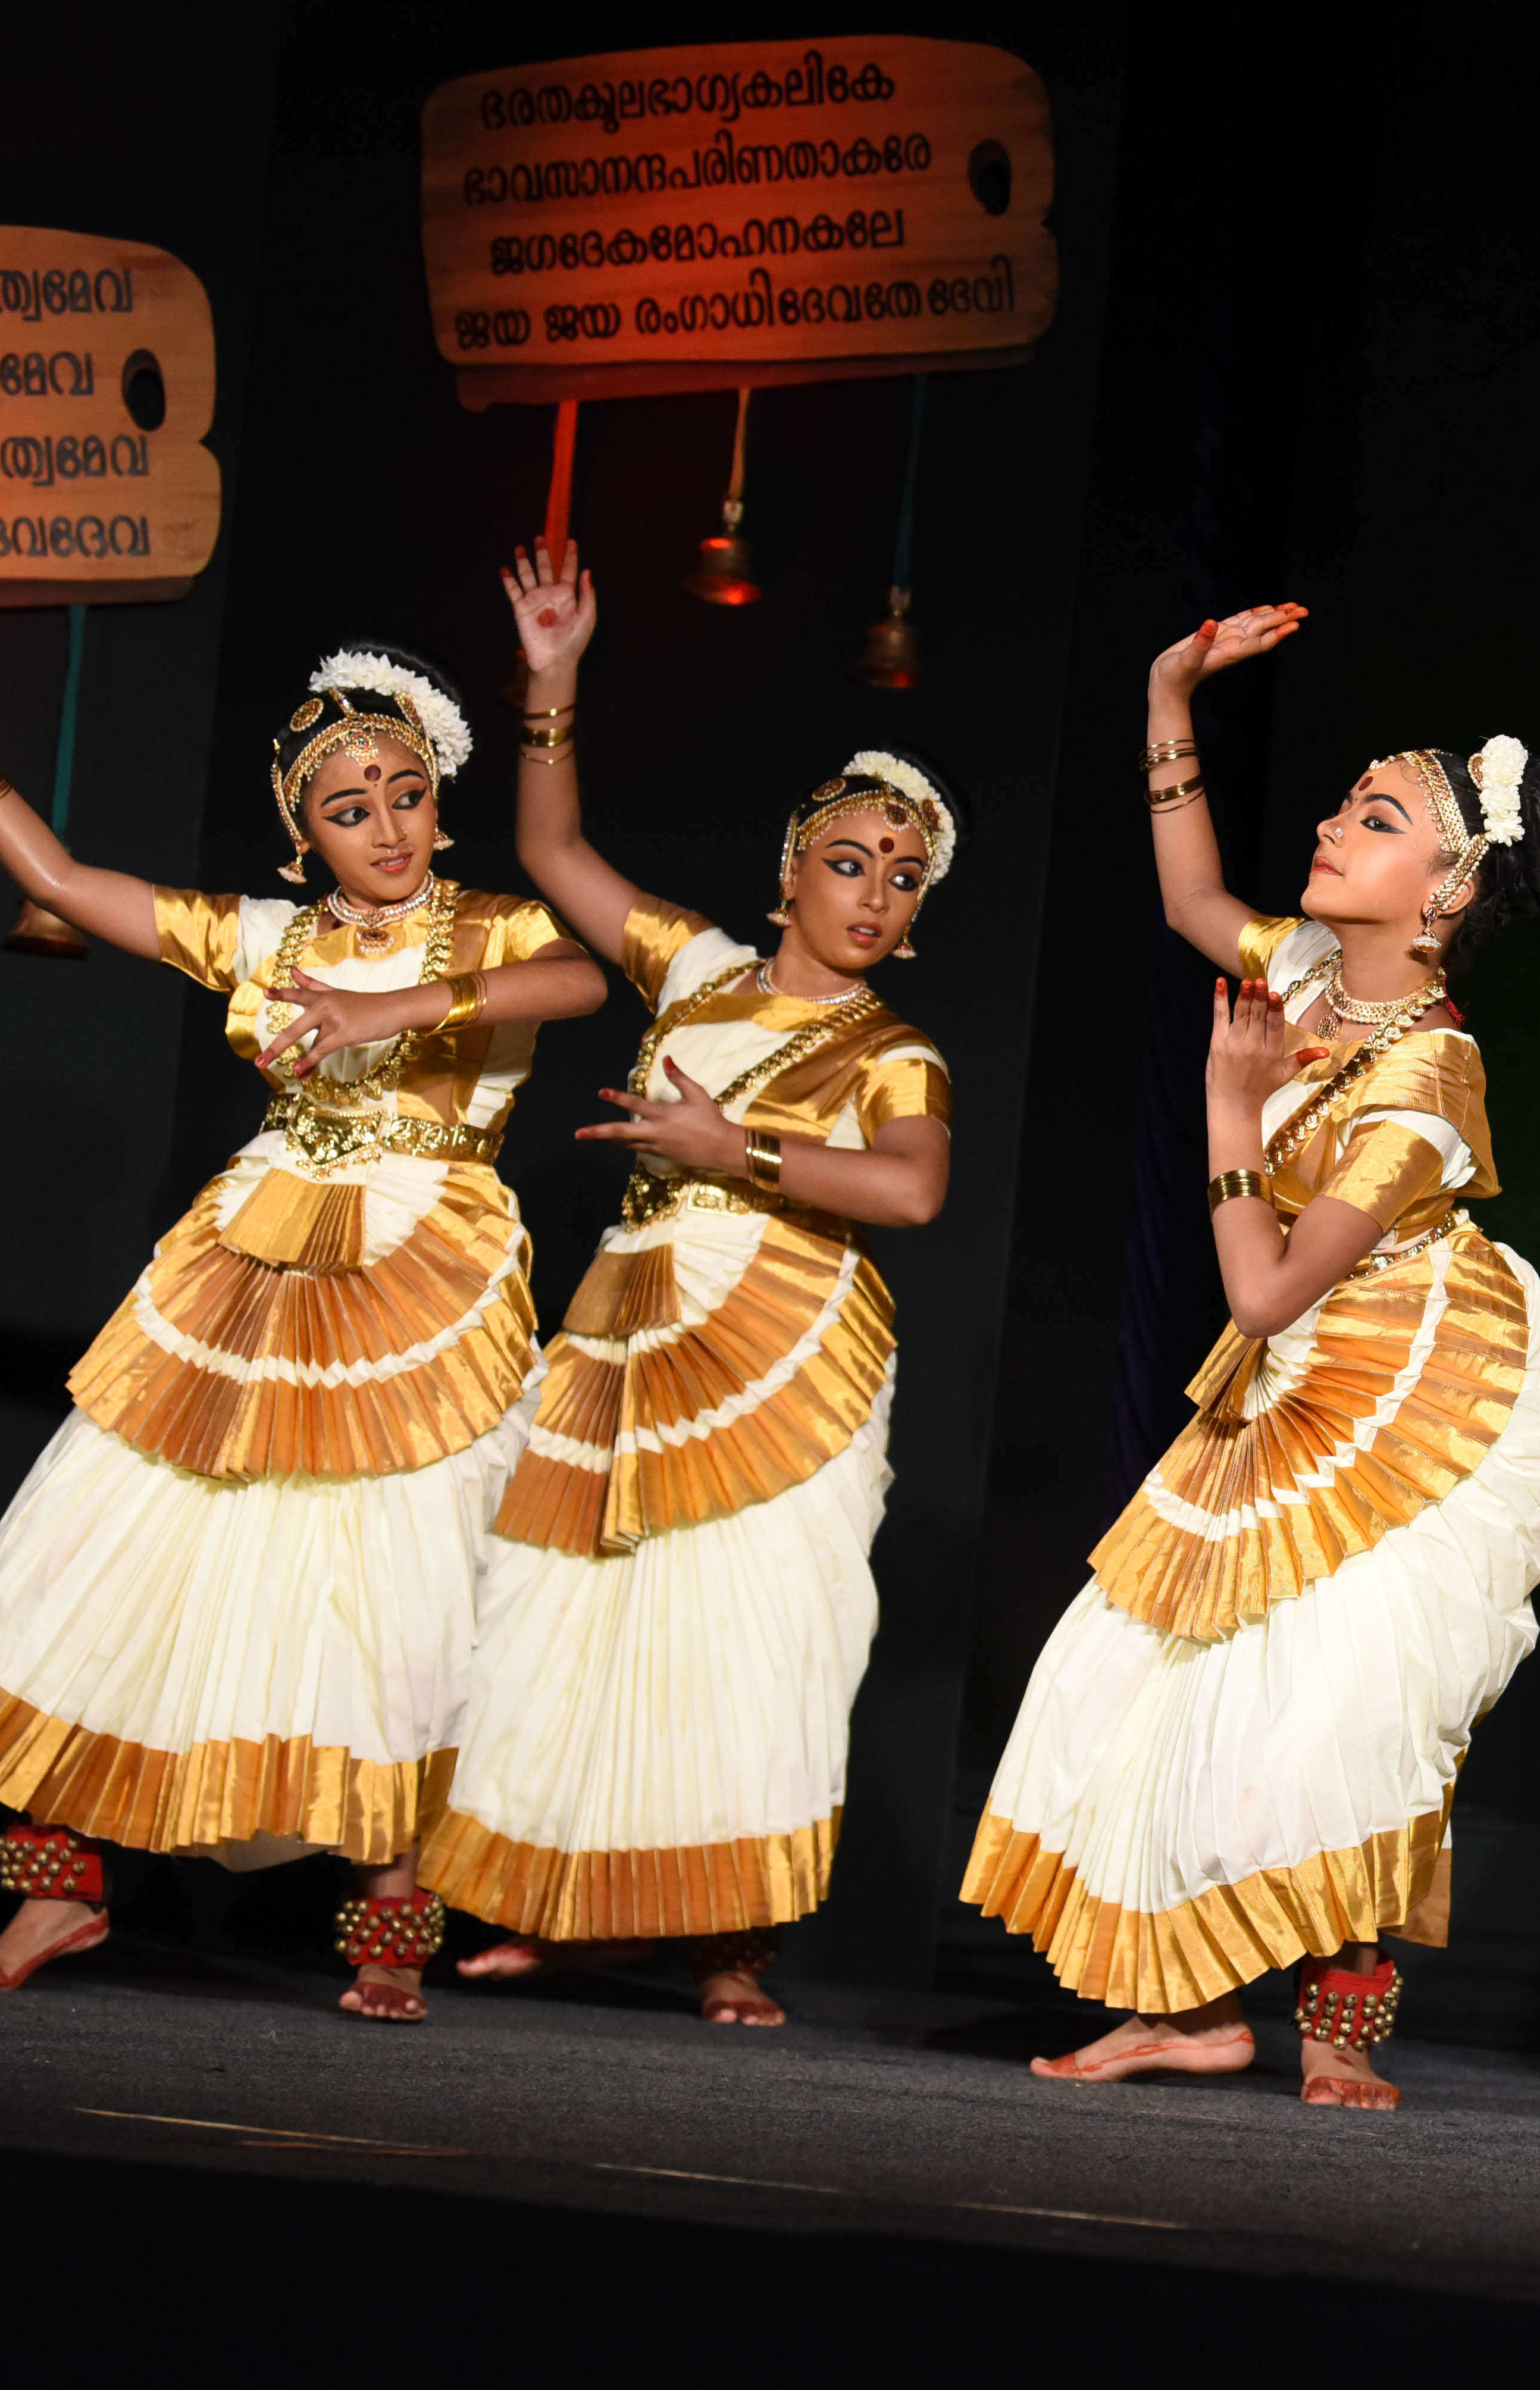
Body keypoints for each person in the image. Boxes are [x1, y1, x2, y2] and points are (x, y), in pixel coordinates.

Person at [0, 623, 605, 2022]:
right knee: (126, 1543)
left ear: (438, 790)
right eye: (346, 806)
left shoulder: (496, 928)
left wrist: (415, 997)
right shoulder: (270, 939)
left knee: (402, 1584)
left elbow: (580, 981)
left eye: (403, 790)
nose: (384, 824)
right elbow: (66, 880)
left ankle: (389, 1934)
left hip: (421, 1270)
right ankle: (59, 1885)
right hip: (247, 1265)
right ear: (303, 839)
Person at [963, 602, 1540, 2109]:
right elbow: (1191, 898)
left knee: (1345, 1694)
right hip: (1303, 1369)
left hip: (1418, 1390)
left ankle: (1336, 2027)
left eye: (1372, 818)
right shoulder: (1307, 968)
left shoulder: (1432, 1073)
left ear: (1440, 890)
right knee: (1170, 1665)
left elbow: (1252, 1294)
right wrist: (1166, 691)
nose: (1326, 822)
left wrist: (1228, 1108)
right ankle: (1179, 1998)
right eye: (1341, 799)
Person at [417, 545, 954, 2029]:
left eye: (904, 880)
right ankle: (549, 1899)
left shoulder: (892, 1047)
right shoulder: (700, 971)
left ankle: (732, 1943)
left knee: (750, 1633)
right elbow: (553, 854)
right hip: (629, 1320)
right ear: (790, 869)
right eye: (850, 862)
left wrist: (735, 1144)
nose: (874, 893)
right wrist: (553, 677)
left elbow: (911, 1187)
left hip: (785, 1341)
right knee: (568, 1606)